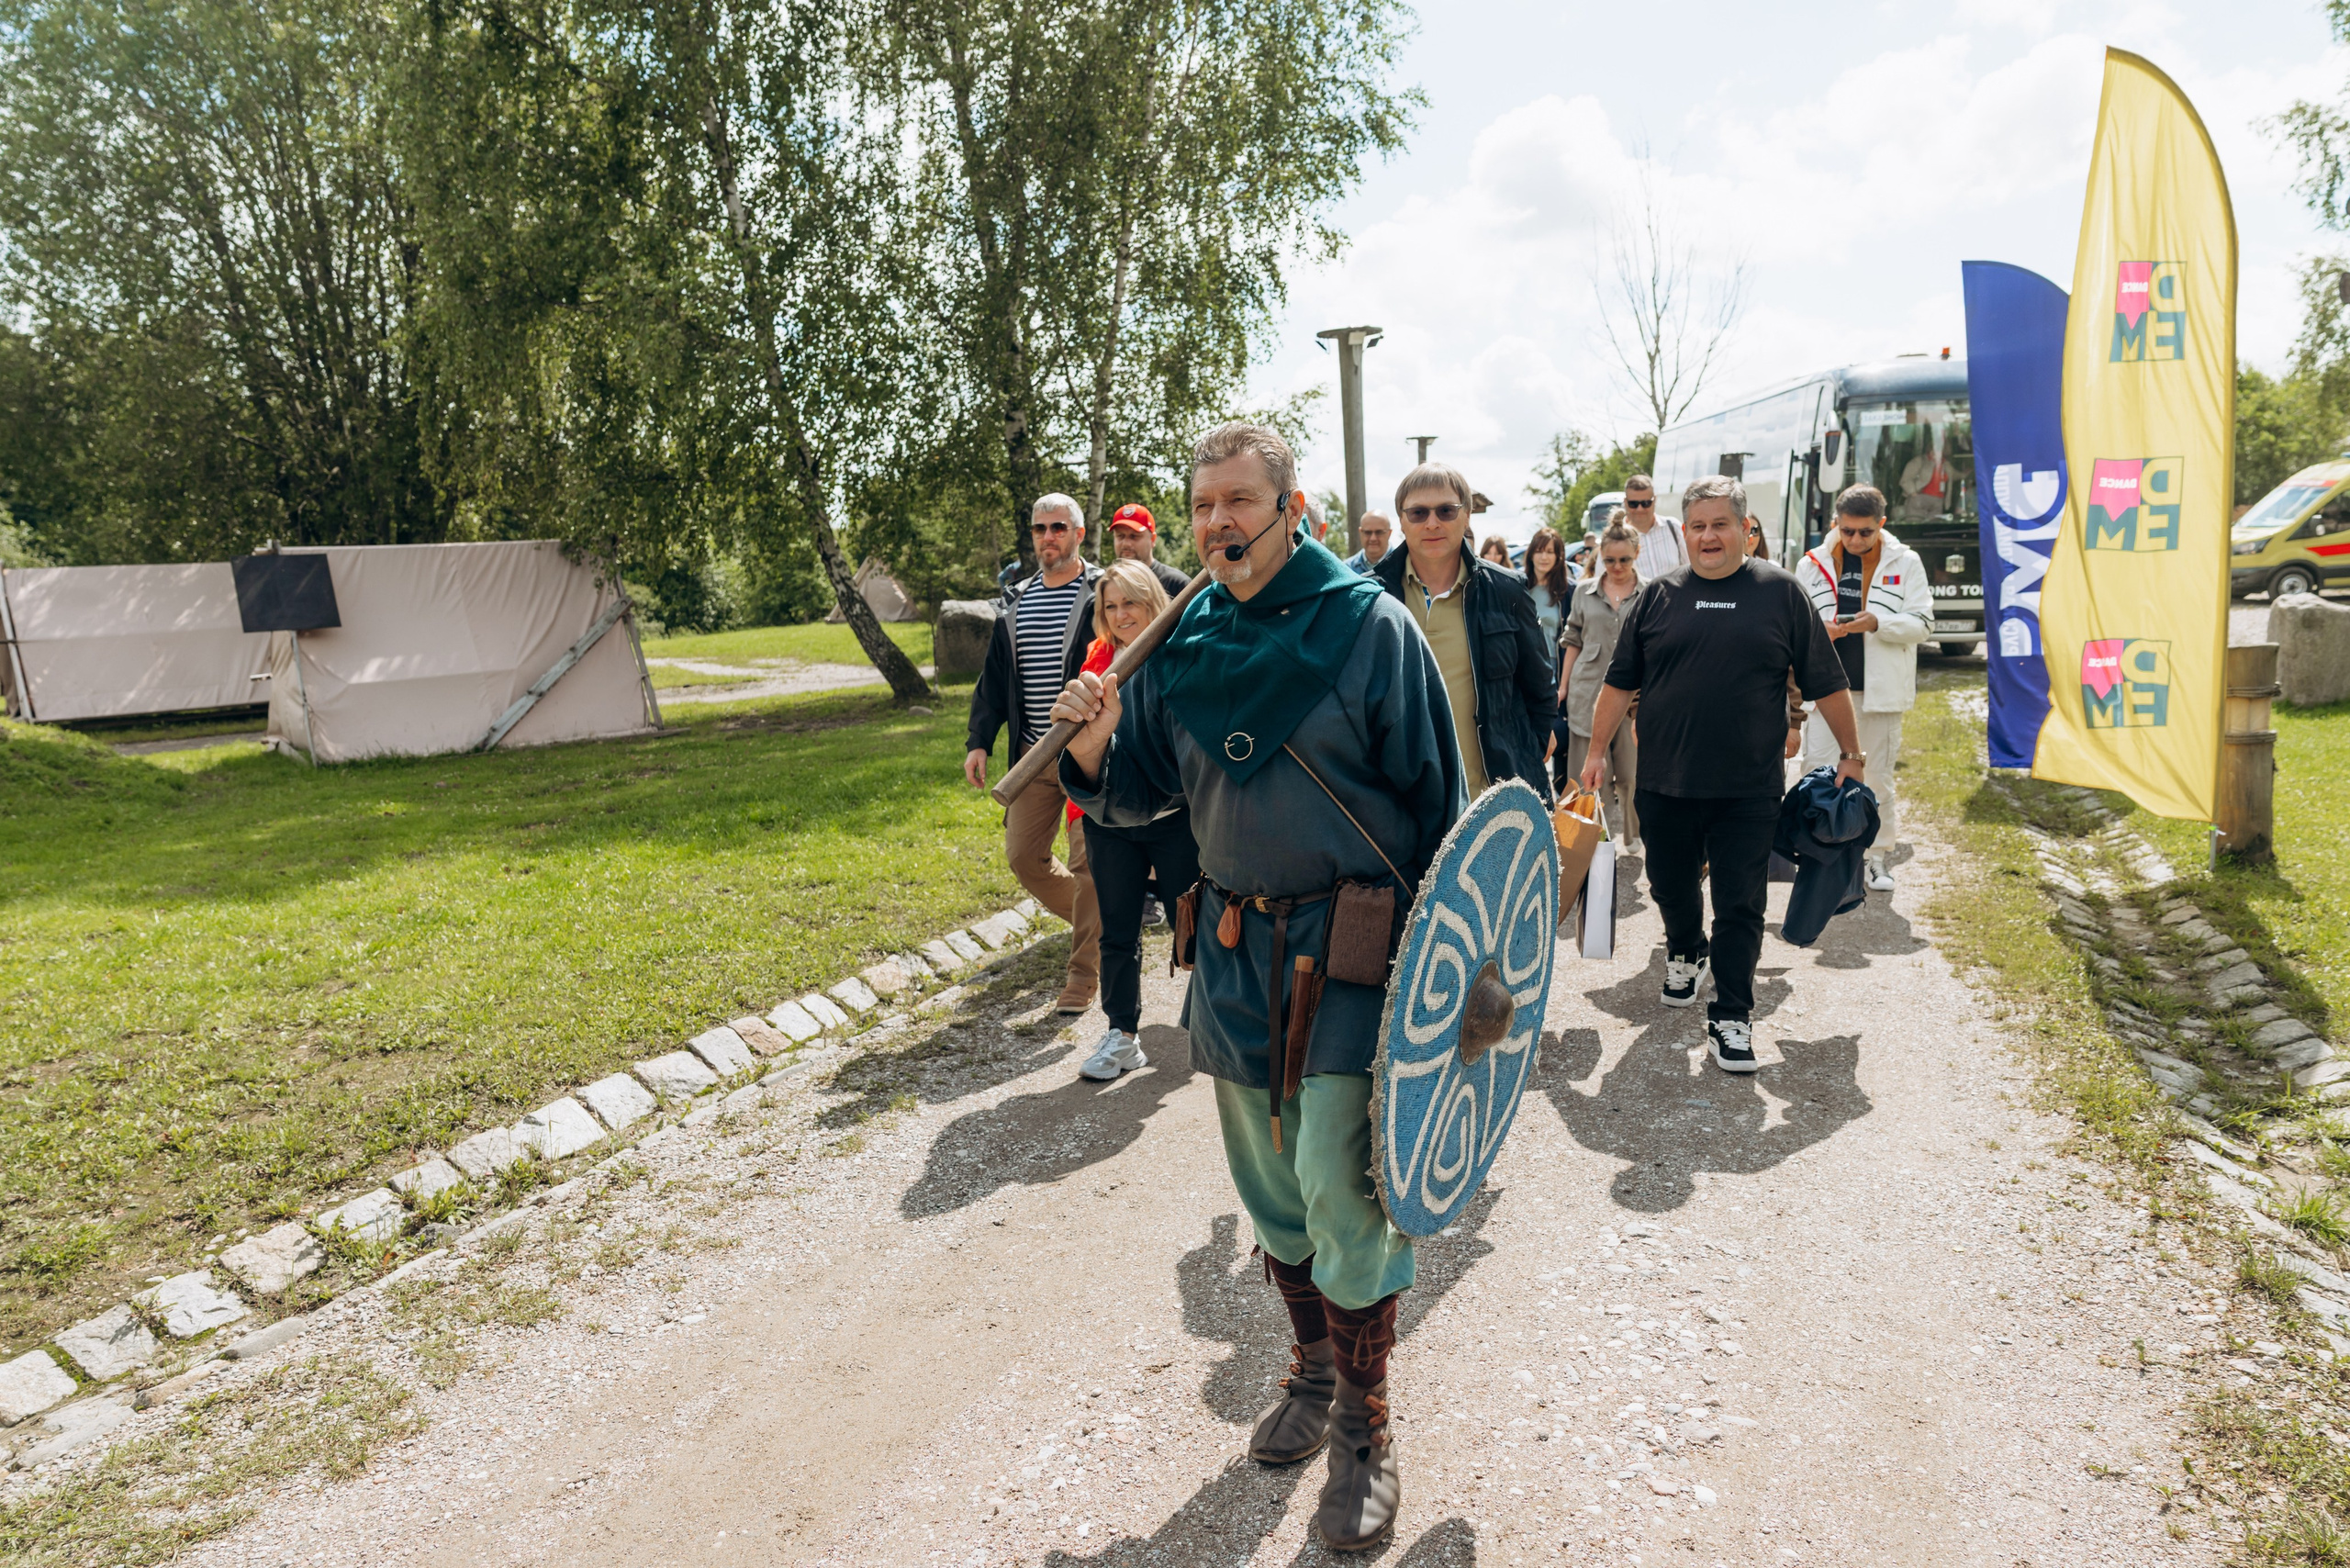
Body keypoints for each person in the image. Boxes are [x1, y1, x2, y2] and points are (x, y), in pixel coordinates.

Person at [1055, 422, 1463, 1552]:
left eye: (1239, 501)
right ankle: (1314, 1367)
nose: (1218, 523)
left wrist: (1454, 972)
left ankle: (1366, 1435)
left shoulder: (1367, 628)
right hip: (1232, 950)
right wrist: (1092, 746)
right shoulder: (1183, 642)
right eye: (1201, 507)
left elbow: (1440, 805)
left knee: (1341, 1183)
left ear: (1291, 508)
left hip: (1351, 951)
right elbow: (1139, 798)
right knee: (1271, 1188)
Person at [1578, 476, 1867, 1074]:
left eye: (1720, 524)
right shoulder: (1655, 599)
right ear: (1684, 532)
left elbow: (1827, 681)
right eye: (1698, 526)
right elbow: (1618, 682)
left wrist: (1852, 754)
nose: (1709, 536)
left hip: (1748, 787)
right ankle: (1686, 950)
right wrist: (1596, 751)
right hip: (1664, 781)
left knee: (1741, 903)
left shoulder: (1782, 594)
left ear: (1743, 527)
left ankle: (1732, 1013)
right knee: (1669, 885)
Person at [965, 494, 1104, 1014]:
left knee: (1086, 866)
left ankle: (1082, 977)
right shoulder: (1015, 601)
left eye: (1059, 528)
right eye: (1040, 529)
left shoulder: (1103, 592)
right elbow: (994, 679)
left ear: (1079, 533)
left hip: (1087, 752)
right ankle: (1104, 921)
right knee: (1024, 858)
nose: (1049, 537)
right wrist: (979, 740)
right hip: (1031, 756)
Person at [1064, 560, 1201, 1081]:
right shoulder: (1099, 662)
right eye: (1111, 605)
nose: (1121, 615)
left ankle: (1217, 1021)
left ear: (1152, 602)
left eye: (1131, 603)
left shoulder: (1178, 657)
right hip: (1109, 822)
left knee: (1191, 926)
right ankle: (1122, 1035)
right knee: (1117, 930)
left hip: (1171, 818)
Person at [1373, 463, 1556, 801]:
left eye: (1446, 510)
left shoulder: (1507, 591)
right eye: (1418, 512)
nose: (1432, 522)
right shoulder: (1372, 597)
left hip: (1489, 801)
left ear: (1467, 515)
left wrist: (1526, 754)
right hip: (1400, 804)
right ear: (1401, 521)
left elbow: (1540, 689)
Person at [1792, 484, 1933, 891]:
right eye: (1848, 530)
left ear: (1881, 525)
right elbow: (1796, 625)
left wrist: (1879, 624)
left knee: (1876, 780)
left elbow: (1924, 624)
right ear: (1835, 523)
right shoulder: (1812, 562)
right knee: (1817, 775)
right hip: (1825, 692)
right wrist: (1821, 632)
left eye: (1865, 532)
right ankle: (1818, 859)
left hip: (1880, 693)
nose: (1855, 539)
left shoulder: (1906, 562)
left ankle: (1876, 858)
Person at [1557, 517, 1643, 839]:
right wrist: (1563, 686)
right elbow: (1572, 640)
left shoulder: (1651, 592)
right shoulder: (1583, 591)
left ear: (1637, 553)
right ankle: (1591, 842)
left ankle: (1633, 834)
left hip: (1634, 697)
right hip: (1587, 694)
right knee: (1589, 778)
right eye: (1609, 560)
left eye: (1624, 559)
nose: (1617, 566)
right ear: (1600, 557)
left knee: (1632, 775)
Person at [1108, 503, 1192, 598]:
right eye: (1120, 536)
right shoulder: (1108, 585)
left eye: (1134, 536)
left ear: (1152, 539)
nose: (1126, 543)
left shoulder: (1176, 584)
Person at [1621, 473, 1687, 581]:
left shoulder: (1673, 528)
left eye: (1646, 503)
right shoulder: (1616, 537)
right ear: (1625, 502)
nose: (1640, 509)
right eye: (1633, 504)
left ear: (1655, 500)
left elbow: (1690, 568)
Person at [1522, 527, 1572, 644]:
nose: (1544, 557)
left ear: (1558, 556)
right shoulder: (1519, 588)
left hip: (1556, 661)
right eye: (1539, 551)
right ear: (1531, 555)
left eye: (1550, 552)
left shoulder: (1569, 591)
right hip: (1524, 662)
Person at [1342, 511, 1393, 575]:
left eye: (1379, 532)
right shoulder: (1347, 569)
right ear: (1360, 532)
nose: (1373, 538)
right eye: (1368, 532)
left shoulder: (1403, 565)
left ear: (1389, 533)